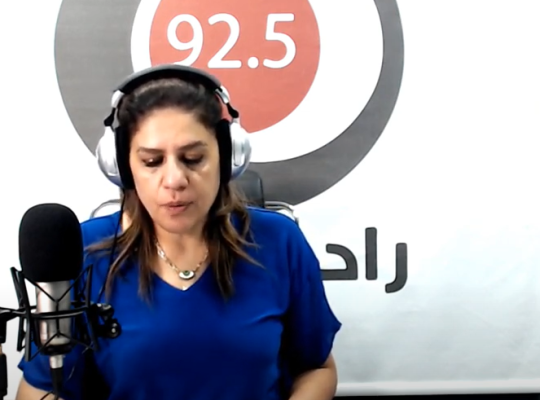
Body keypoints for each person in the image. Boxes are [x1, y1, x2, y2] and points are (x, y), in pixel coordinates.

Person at [15, 65, 342, 400]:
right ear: (123, 167)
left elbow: (316, 369)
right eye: (152, 162)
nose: (174, 180)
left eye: (193, 158)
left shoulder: (279, 241)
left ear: (227, 156)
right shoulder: (81, 251)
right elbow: (39, 389)